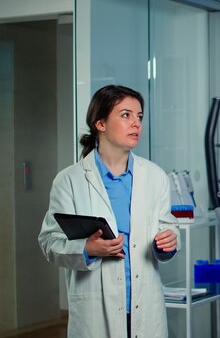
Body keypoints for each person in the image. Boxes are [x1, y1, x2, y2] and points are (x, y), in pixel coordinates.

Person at [38, 85, 180, 338]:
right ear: (100, 123)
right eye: (126, 115)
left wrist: (168, 241)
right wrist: (87, 249)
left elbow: (166, 228)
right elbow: (50, 242)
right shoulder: (70, 180)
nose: (136, 123)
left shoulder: (155, 176)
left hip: (144, 304)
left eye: (139, 117)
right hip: (95, 310)